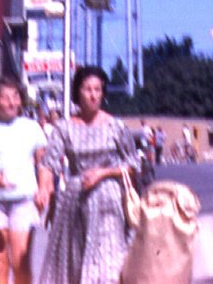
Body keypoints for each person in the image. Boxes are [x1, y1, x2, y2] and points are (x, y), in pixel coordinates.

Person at [39, 66, 139, 284]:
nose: (93, 95)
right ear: (78, 92)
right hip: (76, 202)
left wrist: (104, 172)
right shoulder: (64, 128)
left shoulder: (116, 126)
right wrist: (44, 188)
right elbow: (50, 162)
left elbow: (133, 163)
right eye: (87, 89)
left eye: (98, 90)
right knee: (77, 260)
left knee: (109, 262)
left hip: (109, 201)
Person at [0, 77, 50, 284]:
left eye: (15, 96)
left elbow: (44, 164)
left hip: (23, 201)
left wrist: (44, 189)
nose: (12, 102)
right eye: (5, 98)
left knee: (20, 262)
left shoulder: (32, 128)